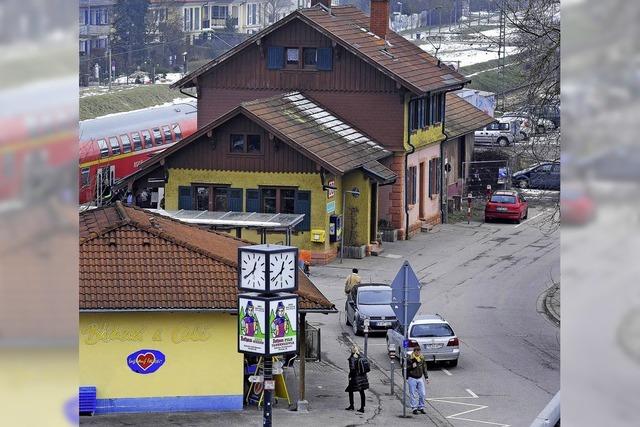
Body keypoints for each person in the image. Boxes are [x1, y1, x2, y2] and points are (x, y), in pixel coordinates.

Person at [345, 345, 368, 413]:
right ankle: (362, 407)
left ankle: (351, 405)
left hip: (355, 378)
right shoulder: (361, 356)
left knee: (350, 390)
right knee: (362, 392)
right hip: (363, 377)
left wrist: (350, 376)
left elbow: (352, 369)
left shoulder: (352, 358)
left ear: (352, 350)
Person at [406, 347, 429, 415]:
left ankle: (421, 407)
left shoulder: (421, 358)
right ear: (414, 352)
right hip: (412, 378)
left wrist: (426, 377)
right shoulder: (410, 359)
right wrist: (412, 367)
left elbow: (424, 368)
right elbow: (405, 368)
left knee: (422, 393)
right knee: (413, 394)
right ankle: (414, 408)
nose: (418, 353)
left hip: (419, 378)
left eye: (419, 352)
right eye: (417, 352)